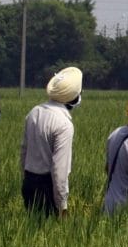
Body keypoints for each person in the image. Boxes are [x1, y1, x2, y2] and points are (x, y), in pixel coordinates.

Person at [20, 66, 82, 216]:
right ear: (74, 97)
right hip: (47, 187)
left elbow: (24, 151)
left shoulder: (34, 112)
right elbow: (59, 170)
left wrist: (25, 180)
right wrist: (62, 206)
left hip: (29, 182)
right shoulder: (64, 124)